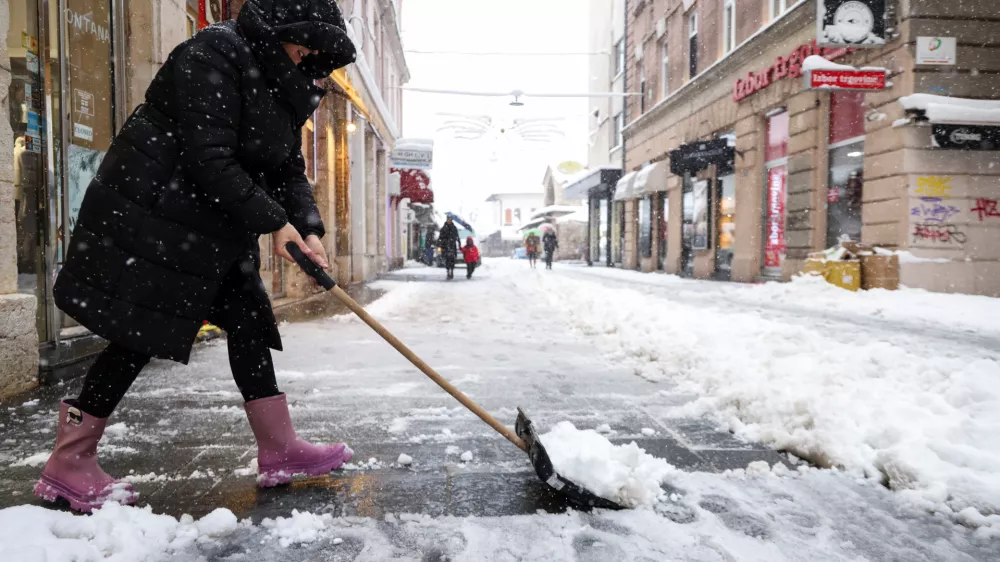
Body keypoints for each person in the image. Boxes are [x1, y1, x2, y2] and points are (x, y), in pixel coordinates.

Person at [35, 0, 357, 513]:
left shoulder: (285, 84)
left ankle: (279, 449)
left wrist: (308, 229)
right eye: (307, 43)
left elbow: (288, 169)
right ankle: (69, 463)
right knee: (138, 335)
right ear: (284, 30)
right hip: (159, 219)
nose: (311, 55)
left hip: (216, 228)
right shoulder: (214, 52)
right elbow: (209, 157)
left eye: (320, 51)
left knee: (250, 321)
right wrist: (273, 222)